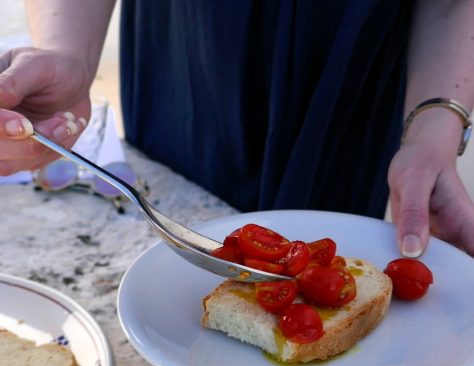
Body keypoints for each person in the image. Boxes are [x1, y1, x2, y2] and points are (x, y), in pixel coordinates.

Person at [0, 0, 473, 261]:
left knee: (330, 267)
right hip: (187, 60)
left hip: (349, 78)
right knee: (171, 251)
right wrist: (70, 56)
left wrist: (434, 127)